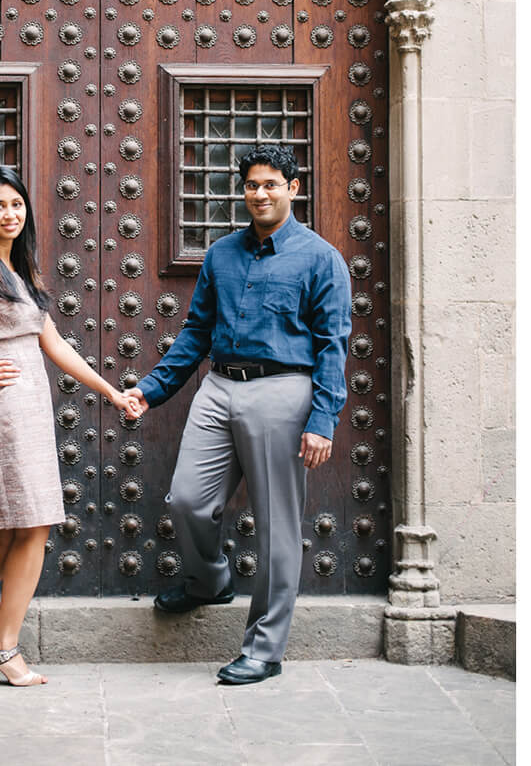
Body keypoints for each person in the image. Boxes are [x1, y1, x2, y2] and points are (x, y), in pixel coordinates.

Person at [124, 142, 350, 686]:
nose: (260, 193)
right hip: (218, 386)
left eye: (271, 183)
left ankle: (264, 649)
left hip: (284, 392)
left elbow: (333, 345)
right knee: (187, 499)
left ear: (294, 189)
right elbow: (196, 334)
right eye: (252, 184)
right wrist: (151, 390)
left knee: (276, 528)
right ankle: (209, 582)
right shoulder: (221, 255)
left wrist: (322, 419)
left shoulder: (321, 259)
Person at [0, 165, 138, 686]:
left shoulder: (19, 270)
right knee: (33, 526)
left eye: (16, 204)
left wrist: (109, 392)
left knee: (14, 531)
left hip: (31, 408)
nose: (9, 214)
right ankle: (3, 646)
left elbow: (53, 344)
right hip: (4, 410)